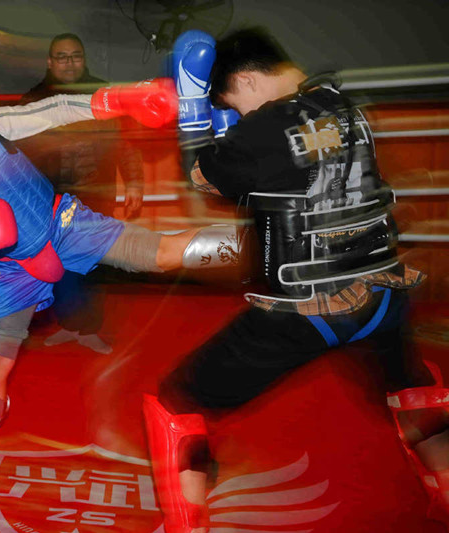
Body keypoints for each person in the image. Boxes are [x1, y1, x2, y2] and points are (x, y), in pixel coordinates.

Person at [142, 28, 449, 532]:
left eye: (235, 103)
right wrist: (235, 131)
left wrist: (195, 106)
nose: (239, 115)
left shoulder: (267, 126)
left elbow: (203, 178)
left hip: (306, 308)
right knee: (411, 389)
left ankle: (186, 527)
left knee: (177, 400)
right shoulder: (348, 108)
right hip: (383, 292)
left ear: (245, 79)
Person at [0, 64, 243, 497]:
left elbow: (55, 109)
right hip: (10, 271)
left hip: (64, 225)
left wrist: (118, 100)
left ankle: (255, 246)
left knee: (161, 253)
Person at [18, 33, 145, 354]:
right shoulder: (34, 100)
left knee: (92, 262)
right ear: (50, 62)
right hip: (49, 198)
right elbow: (16, 151)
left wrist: (134, 182)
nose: (69, 62)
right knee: (55, 265)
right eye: (62, 57)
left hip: (95, 194)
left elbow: (125, 143)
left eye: (75, 56)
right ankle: (69, 323)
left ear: (84, 59)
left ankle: (89, 327)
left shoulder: (104, 95)